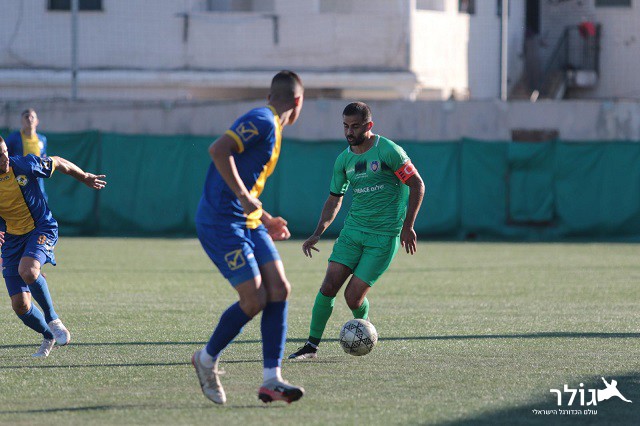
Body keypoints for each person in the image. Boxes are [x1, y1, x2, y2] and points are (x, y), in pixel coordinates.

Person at [192, 70, 305, 405]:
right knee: (254, 299)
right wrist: (243, 197)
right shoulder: (263, 120)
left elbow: (245, 179)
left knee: (279, 289)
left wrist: (267, 219)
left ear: (272, 96)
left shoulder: (272, 126)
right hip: (221, 221)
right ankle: (206, 359)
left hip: (249, 222)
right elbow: (219, 149)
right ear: (298, 101)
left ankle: (272, 380)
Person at [288, 101, 425, 360]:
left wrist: (408, 226)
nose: (349, 132)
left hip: (383, 237)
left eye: (355, 126)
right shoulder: (344, 159)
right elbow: (334, 199)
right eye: (345, 126)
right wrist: (318, 232)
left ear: (368, 125)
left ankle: (366, 328)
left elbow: (417, 185)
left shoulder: (389, 151)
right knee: (329, 286)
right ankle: (311, 347)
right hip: (352, 232)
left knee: (353, 298)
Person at [0, 136, 106, 357]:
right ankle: (48, 335)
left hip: (41, 228)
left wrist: (84, 176)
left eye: (5, 151)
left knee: (28, 271)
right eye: (0, 155)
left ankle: (53, 319)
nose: (5, 157)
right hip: (12, 239)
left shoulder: (25, 165)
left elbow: (57, 161)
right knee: (20, 305)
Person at [5, 109, 49, 199]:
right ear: (21, 121)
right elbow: (5, 157)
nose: (29, 119)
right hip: (19, 180)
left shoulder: (42, 139)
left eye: (32, 117)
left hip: (38, 181)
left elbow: (44, 158)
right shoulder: (13, 138)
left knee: (41, 201)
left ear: (37, 121)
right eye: (26, 117)